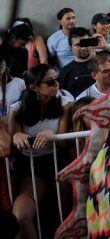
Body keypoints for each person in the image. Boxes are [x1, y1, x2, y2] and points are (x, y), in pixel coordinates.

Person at [9, 64, 72, 239]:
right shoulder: (17, 108)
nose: (56, 84)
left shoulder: (65, 103)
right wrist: (17, 135)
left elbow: (63, 143)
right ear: (34, 86)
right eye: (50, 81)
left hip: (57, 160)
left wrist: (52, 134)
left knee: (66, 208)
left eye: (56, 79)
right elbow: (13, 143)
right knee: (21, 215)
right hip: (31, 166)